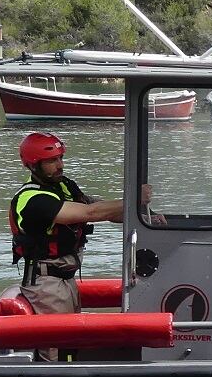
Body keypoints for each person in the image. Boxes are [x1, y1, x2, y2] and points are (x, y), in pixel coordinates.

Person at [8, 131, 125, 316]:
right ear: (33, 165)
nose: (60, 166)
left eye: (60, 158)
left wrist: (142, 215)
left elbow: (99, 207)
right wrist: (135, 199)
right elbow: (91, 212)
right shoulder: (32, 199)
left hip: (65, 280)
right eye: (51, 161)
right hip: (46, 285)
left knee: (71, 342)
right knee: (56, 343)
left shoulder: (63, 186)